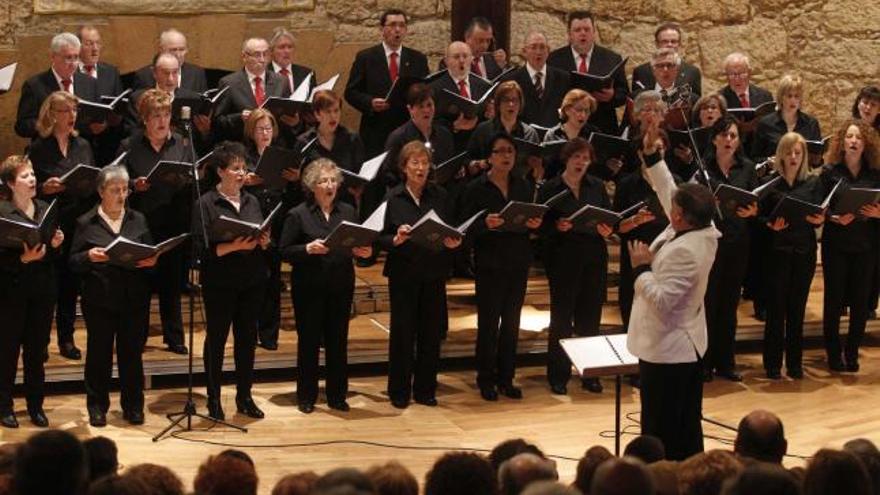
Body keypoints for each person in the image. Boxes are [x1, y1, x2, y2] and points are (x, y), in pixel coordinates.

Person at [626, 112, 720, 460]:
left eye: (673, 210)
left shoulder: (688, 252)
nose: (670, 208)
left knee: (665, 428)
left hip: (670, 349)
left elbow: (664, 300)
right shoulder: (700, 227)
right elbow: (669, 190)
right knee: (681, 423)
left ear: (680, 218)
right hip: (677, 345)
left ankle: (664, 477)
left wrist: (640, 271)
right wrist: (653, 157)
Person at [278, 159, 372, 413]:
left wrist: (363, 251)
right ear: (312, 185)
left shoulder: (348, 212)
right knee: (308, 341)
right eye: (323, 181)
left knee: (337, 340)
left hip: (340, 284)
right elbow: (284, 251)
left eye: (333, 180)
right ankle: (306, 396)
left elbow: (357, 243)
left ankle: (337, 395)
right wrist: (307, 249)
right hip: (309, 286)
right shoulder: (298, 214)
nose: (329, 185)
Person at [69, 165, 156, 426]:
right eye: (114, 190)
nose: (121, 195)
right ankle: (97, 406)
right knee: (99, 355)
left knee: (131, 354)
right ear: (100, 191)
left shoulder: (137, 219)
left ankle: (133, 406)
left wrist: (152, 260)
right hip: (100, 300)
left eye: (124, 189)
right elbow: (72, 262)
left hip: (133, 299)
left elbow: (150, 251)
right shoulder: (86, 223)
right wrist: (88, 256)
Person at [192, 141, 270, 420]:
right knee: (216, 339)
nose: (241, 173)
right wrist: (235, 246)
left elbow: (260, 234)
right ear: (221, 171)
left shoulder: (252, 201)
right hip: (220, 281)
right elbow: (201, 249)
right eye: (235, 168)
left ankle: (244, 396)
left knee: (247, 339)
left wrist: (263, 240)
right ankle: (214, 398)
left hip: (252, 279)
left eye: (244, 168)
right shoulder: (206, 204)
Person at [461, 132, 542, 401]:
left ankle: (506, 378)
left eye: (510, 151)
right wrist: (484, 224)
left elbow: (527, 217)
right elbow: (464, 229)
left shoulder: (522, 185)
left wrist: (533, 225)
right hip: (490, 263)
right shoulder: (475, 189)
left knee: (511, 322)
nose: (506, 156)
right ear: (490, 156)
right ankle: (486, 379)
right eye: (500, 151)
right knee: (488, 324)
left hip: (517, 260)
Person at [380, 141, 460, 408]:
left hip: (433, 271)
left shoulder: (440, 195)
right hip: (404, 272)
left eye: (424, 163)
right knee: (403, 334)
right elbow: (379, 237)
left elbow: (450, 229)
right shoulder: (393, 197)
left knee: (431, 332)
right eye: (414, 163)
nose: (420, 168)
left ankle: (426, 389)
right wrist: (396, 239)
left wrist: (453, 242)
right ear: (404, 167)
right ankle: (399, 391)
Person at [538, 138, 614, 394]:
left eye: (586, 158)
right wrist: (555, 227)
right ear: (566, 159)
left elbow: (608, 217)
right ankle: (558, 376)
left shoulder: (597, 187)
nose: (581, 162)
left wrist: (606, 229)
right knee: (561, 320)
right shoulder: (550, 188)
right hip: (563, 257)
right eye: (576, 157)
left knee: (590, 319)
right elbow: (540, 226)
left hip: (593, 256)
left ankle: (589, 373)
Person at [119, 88, 190, 354]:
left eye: (166, 114)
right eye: (156, 115)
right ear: (145, 119)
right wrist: (134, 186)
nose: (162, 121)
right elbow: (118, 182)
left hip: (173, 219)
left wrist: (183, 179)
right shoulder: (130, 146)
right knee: (141, 284)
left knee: (171, 283)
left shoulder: (182, 142)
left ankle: (174, 337)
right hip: (142, 223)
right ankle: (137, 336)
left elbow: (195, 176)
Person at [27, 91, 96, 361]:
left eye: (74, 110)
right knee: (48, 286)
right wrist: (45, 187)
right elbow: (29, 187)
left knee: (70, 283)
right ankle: (40, 341)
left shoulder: (83, 146)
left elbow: (91, 179)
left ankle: (66, 339)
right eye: (66, 111)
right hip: (50, 220)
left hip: (76, 219)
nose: (72, 116)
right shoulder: (39, 147)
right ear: (52, 115)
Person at [0, 156, 64, 429]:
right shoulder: (2, 212)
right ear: (11, 183)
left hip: (41, 288)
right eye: (25, 176)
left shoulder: (45, 208)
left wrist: (56, 244)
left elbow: (49, 253)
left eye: (33, 174)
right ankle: (4, 407)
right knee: (7, 350)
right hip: (10, 291)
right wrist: (21, 261)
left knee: (37, 351)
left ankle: (35, 406)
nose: (33, 179)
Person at [758, 133, 824, 379]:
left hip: (804, 251)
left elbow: (819, 213)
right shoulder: (771, 184)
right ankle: (773, 365)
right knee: (776, 310)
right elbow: (759, 217)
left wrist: (819, 220)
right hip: (777, 252)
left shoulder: (813, 184)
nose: (793, 157)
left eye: (798, 153)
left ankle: (795, 364)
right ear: (781, 155)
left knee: (798, 309)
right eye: (789, 152)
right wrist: (769, 225)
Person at [699, 114, 758, 382]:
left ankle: (726, 362)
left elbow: (754, 201)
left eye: (733, 135)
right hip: (710, 244)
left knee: (729, 305)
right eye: (724, 135)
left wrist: (753, 210)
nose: (729, 140)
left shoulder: (746, 168)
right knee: (708, 304)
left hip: (737, 243)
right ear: (714, 139)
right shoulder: (703, 169)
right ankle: (704, 362)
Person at [819, 119, 880, 372]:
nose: (854, 141)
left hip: (866, 245)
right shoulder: (829, 172)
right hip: (836, 244)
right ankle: (834, 354)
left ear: (866, 144)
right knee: (833, 301)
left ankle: (852, 352)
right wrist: (834, 217)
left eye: (859, 138)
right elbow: (820, 209)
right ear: (842, 142)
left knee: (860, 301)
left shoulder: (875, 174)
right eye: (850, 137)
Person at [242, 108, 301, 351]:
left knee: (272, 278)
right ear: (251, 131)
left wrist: (295, 180)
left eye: (268, 128)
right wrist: (245, 181)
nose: (265, 133)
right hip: (251, 222)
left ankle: (269, 335)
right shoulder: (244, 157)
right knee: (251, 280)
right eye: (260, 129)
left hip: (276, 222)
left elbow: (293, 197)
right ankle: (248, 331)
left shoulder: (281, 155)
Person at [344, 8, 430, 158]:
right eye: (392, 25)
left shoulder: (418, 59)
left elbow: (426, 91)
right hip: (376, 130)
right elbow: (350, 92)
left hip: (408, 128)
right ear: (382, 29)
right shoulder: (366, 58)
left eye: (402, 25)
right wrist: (370, 102)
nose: (397, 30)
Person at [547, 10, 629, 135]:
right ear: (569, 34)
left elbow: (624, 94)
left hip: (603, 127)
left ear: (594, 33)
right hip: (566, 128)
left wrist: (612, 96)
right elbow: (550, 94)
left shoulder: (612, 58)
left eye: (587, 29)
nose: (583, 33)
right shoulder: (554, 59)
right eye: (577, 30)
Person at [15, 32, 100, 140]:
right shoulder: (34, 85)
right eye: (68, 58)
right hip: (48, 150)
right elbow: (22, 126)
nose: (74, 63)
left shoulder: (89, 82)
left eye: (76, 57)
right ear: (53, 57)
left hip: (82, 148)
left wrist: (99, 125)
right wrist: (51, 122)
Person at [214, 37, 293, 142]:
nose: (262, 59)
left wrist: (295, 122)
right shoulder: (229, 83)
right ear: (244, 56)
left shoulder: (281, 81)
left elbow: (286, 116)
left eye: (265, 54)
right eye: (257, 55)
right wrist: (239, 118)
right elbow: (218, 122)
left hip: (273, 145)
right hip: (243, 145)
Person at [298, 90, 365, 209]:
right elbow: (302, 180)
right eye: (328, 112)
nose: (333, 116)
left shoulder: (351, 139)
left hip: (345, 204)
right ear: (317, 114)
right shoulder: (304, 142)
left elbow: (359, 172)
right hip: (315, 206)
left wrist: (360, 187)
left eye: (336, 111)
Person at [466, 81, 542, 181]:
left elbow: (536, 172)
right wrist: (480, 164)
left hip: (519, 188)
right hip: (488, 186)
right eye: (506, 100)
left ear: (520, 104)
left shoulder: (530, 133)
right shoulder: (483, 129)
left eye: (515, 100)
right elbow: (468, 164)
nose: (511, 104)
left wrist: (536, 167)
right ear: (498, 104)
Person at [77, 25, 125, 167]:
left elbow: (119, 104)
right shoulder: (70, 73)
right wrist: (85, 127)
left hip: (108, 144)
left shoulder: (111, 72)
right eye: (89, 43)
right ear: (77, 46)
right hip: (79, 143)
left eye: (98, 43)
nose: (95, 48)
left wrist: (113, 119)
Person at [430, 41, 492, 149]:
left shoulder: (483, 85)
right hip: (450, 145)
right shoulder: (435, 88)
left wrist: (490, 115)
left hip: (478, 146)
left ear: (471, 59)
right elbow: (431, 122)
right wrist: (454, 126)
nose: (462, 60)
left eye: (465, 56)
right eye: (456, 57)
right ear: (446, 61)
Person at [502, 32, 569, 129]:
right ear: (524, 51)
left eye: (542, 47)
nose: (538, 52)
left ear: (548, 51)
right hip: (523, 136)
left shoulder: (562, 78)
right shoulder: (511, 80)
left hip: (553, 137)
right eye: (533, 47)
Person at [751, 74, 822, 161]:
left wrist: (817, 159)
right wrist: (768, 160)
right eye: (789, 96)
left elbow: (817, 161)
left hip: (801, 173)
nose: (793, 100)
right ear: (781, 98)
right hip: (774, 173)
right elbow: (755, 157)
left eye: (796, 96)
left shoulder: (811, 123)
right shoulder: (765, 123)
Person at [541, 89, 600, 179]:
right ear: (567, 110)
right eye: (579, 110)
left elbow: (597, 167)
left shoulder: (593, 133)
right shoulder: (554, 134)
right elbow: (547, 169)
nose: (583, 115)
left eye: (587, 111)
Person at [631, 22, 702, 96]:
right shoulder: (641, 72)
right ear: (657, 44)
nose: (669, 45)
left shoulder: (692, 72)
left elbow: (695, 104)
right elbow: (636, 102)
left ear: (679, 44)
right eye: (665, 41)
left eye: (673, 41)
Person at [132, 28, 208, 93]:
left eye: (182, 49)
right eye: (173, 50)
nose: (178, 55)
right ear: (161, 50)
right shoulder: (143, 76)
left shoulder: (197, 74)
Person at [439, 17, 506, 80]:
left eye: (488, 41)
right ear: (467, 38)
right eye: (480, 41)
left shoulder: (493, 60)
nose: (485, 46)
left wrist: (502, 67)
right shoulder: (451, 61)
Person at [267, 27, 315, 95]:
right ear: (271, 51)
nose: (287, 51)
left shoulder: (307, 74)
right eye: (282, 47)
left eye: (290, 47)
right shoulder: (264, 74)